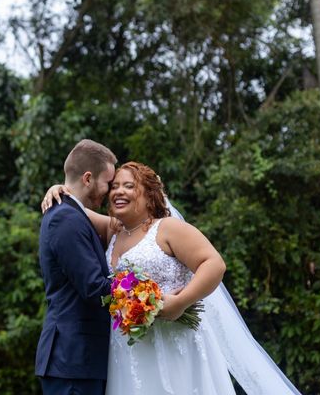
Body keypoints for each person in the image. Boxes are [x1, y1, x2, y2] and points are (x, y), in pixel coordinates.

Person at [42, 161, 303, 395]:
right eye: (115, 186)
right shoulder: (114, 230)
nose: (118, 191)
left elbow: (214, 264)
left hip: (174, 342)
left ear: (149, 195)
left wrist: (181, 303)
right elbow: (73, 209)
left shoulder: (168, 228)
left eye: (129, 186)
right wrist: (58, 188)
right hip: (128, 350)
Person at [35, 139, 117, 395]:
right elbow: (94, 287)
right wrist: (145, 293)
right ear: (88, 178)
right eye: (108, 182)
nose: (110, 190)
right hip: (72, 360)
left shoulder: (72, 213)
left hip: (80, 360)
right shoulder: (65, 219)